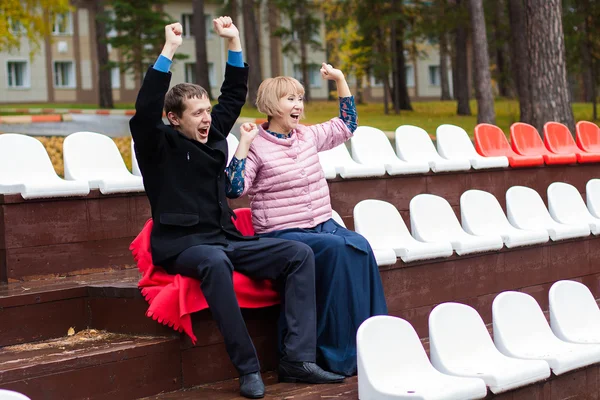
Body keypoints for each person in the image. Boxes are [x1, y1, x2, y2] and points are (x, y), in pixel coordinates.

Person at [130, 19, 344, 399]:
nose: (207, 118)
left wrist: (235, 41)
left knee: (298, 253)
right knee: (214, 262)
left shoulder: (212, 137)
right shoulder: (156, 144)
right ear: (174, 118)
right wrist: (169, 50)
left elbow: (232, 96)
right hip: (183, 246)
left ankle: (297, 359)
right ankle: (247, 368)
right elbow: (146, 109)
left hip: (225, 239)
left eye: (206, 111)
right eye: (196, 114)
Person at [225, 64, 388, 376]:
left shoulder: (307, 136)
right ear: (272, 105)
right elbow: (233, 189)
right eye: (290, 99)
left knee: (360, 246)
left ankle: (371, 342)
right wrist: (242, 146)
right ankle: (334, 354)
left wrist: (340, 79)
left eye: (300, 98)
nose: (298, 105)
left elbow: (347, 124)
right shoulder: (257, 145)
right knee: (338, 251)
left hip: (321, 224)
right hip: (283, 232)